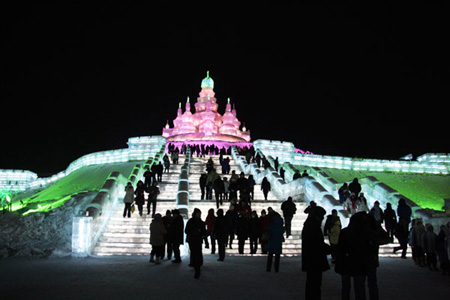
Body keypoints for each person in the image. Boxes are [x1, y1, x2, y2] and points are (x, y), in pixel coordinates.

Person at [301, 206, 330, 300]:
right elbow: (317, 243)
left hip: (311, 259)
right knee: (314, 284)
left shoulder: (310, 224)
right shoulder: (313, 225)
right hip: (314, 260)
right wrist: (330, 249)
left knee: (312, 283)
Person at [185, 208, 206, 279]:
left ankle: (197, 267)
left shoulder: (198, 222)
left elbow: (203, 232)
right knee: (195, 254)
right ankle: (197, 267)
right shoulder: (193, 221)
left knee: (196, 254)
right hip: (194, 240)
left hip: (196, 240)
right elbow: (187, 230)